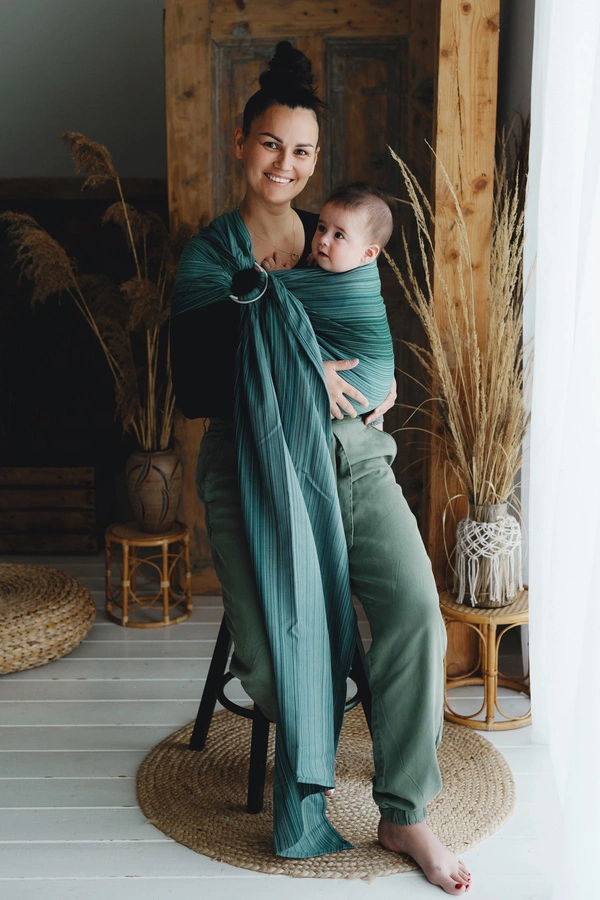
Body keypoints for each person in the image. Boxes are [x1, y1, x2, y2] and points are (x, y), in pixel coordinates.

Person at [170, 41, 471, 894]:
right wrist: (301, 368)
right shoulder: (211, 257)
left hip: (352, 459)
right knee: (274, 667)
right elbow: (198, 384)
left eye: (301, 150)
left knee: (415, 613)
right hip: (254, 469)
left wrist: (381, 377)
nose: (286, 163)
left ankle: (405, 811)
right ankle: (313, 754)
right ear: (240, 143)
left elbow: (365, 333)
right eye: (270, 143)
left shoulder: (333, 238)